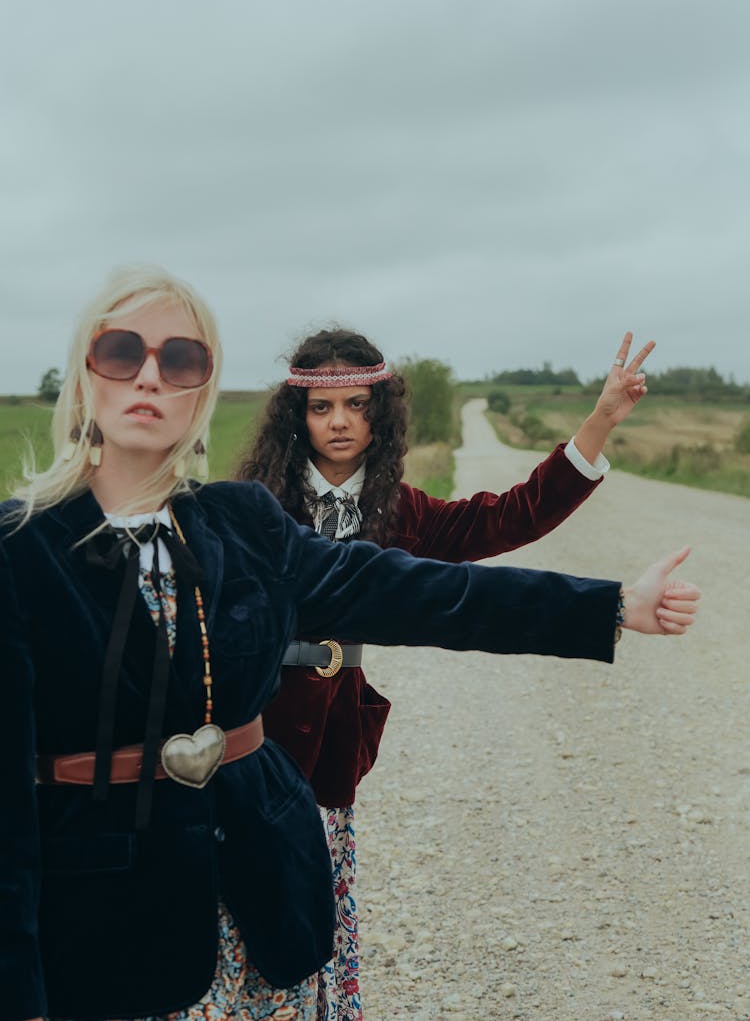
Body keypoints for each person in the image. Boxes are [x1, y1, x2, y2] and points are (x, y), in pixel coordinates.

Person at [0, 267, 699, 1021]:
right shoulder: (21, 545)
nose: (149, 375)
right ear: (84, 372)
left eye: (180, 359)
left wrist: (613, 606)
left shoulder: (243, 523)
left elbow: (424, 593)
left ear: (201, 388)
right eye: (121, 350)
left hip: (260, 909)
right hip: (107, 922)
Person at [236, 326, 659, 1021]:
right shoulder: (252, 507)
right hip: (251, 744)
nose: (339, 421)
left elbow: (514, 515)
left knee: (316, 911)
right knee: (251, 918)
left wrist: (602, 417)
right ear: (297, 416)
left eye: (356, 405)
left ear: (381, 413)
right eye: (320, 407)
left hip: (331, 751)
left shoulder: (402, 511)